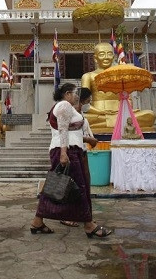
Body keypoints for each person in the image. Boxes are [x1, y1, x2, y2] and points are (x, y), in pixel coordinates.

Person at [31, 83, 112, 238]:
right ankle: (89, 224)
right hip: (67, 150)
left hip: (71, 149)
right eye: (75, 93)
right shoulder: (64, 105)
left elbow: (70, 131)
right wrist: (63, 153)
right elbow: (62, 129)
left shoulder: (67, 107)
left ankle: (37, 221)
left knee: (56, 186)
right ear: (67, 93)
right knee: (78, 186)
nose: (77, 96)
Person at [81, 42, 155, 132]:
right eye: (102, 54)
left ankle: (116, 121)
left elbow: (129, 99)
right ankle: (122, 123)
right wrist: (100, 112)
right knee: (83, 119)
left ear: (114, 56)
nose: (106, 57)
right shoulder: (88, 76)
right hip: (99, 114)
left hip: (121, 112)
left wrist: (124, 111)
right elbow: (84, 104)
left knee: (150, 115)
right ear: (95, 58)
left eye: (109, 54)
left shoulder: (120, 74)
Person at [60, 87, 98, 228]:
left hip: (82, 152)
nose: (90, 101)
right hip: (72, 151)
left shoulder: (81, 115)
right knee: (72, 185)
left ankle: (85, 215)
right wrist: (88, 140)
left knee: (84, 184)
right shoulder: (67, 112)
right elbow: (66, 133)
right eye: (89, 99)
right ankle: (67, 215)